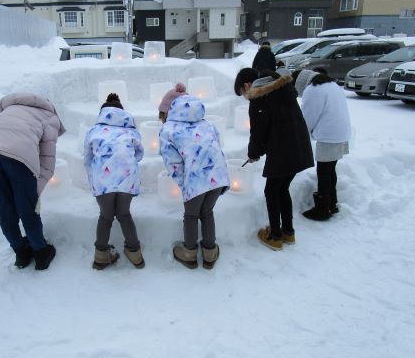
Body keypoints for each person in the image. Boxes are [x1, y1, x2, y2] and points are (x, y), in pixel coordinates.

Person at [0, 93, 66, 270]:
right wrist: (34, 192)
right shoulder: (48, 116)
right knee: (28, 210)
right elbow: (47, 160)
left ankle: (20, 252)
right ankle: (41, 253)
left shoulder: (8, 109)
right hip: (19, 157)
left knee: (5, 209)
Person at [234, 68, 314, 251]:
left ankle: (275, 236)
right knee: (282, 189)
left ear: (247, 85)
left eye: (242, 93)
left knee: (271, 192)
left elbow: (259, 132)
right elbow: (274, 124)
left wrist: (253, 153)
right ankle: (288, 232)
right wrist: (258, 151)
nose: (245, 97)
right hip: (299, 147)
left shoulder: (259, 98)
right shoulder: (281, 90)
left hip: (283, 151)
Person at [158, 83, 230, 269]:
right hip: (218, 176)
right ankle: (209, 253)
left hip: (195, 179)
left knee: (191, 215)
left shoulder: (169, 130)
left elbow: (173, 162)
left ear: (170, 109)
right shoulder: (207, 124)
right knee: (207, 212)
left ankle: (189, 253)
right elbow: (216, 147)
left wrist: (185, 183)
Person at [84, 93, 145, 270]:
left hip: (103, 181)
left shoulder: (94, 131)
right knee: (124, 215)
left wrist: (95, 175)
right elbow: (139, 154)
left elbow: (87, 159)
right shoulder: (131, 131)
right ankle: (135, 254)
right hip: (127, 180)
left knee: (105, 216)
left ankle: (101, 255)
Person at [294, 70, 351, 220]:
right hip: (341, 133)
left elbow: (308, 117)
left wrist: (301, 135)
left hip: (329, 135)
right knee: (330, 169)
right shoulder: (333, 84)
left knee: (324, 172)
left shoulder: (313, 89)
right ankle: (332, 203)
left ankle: (323, 209)